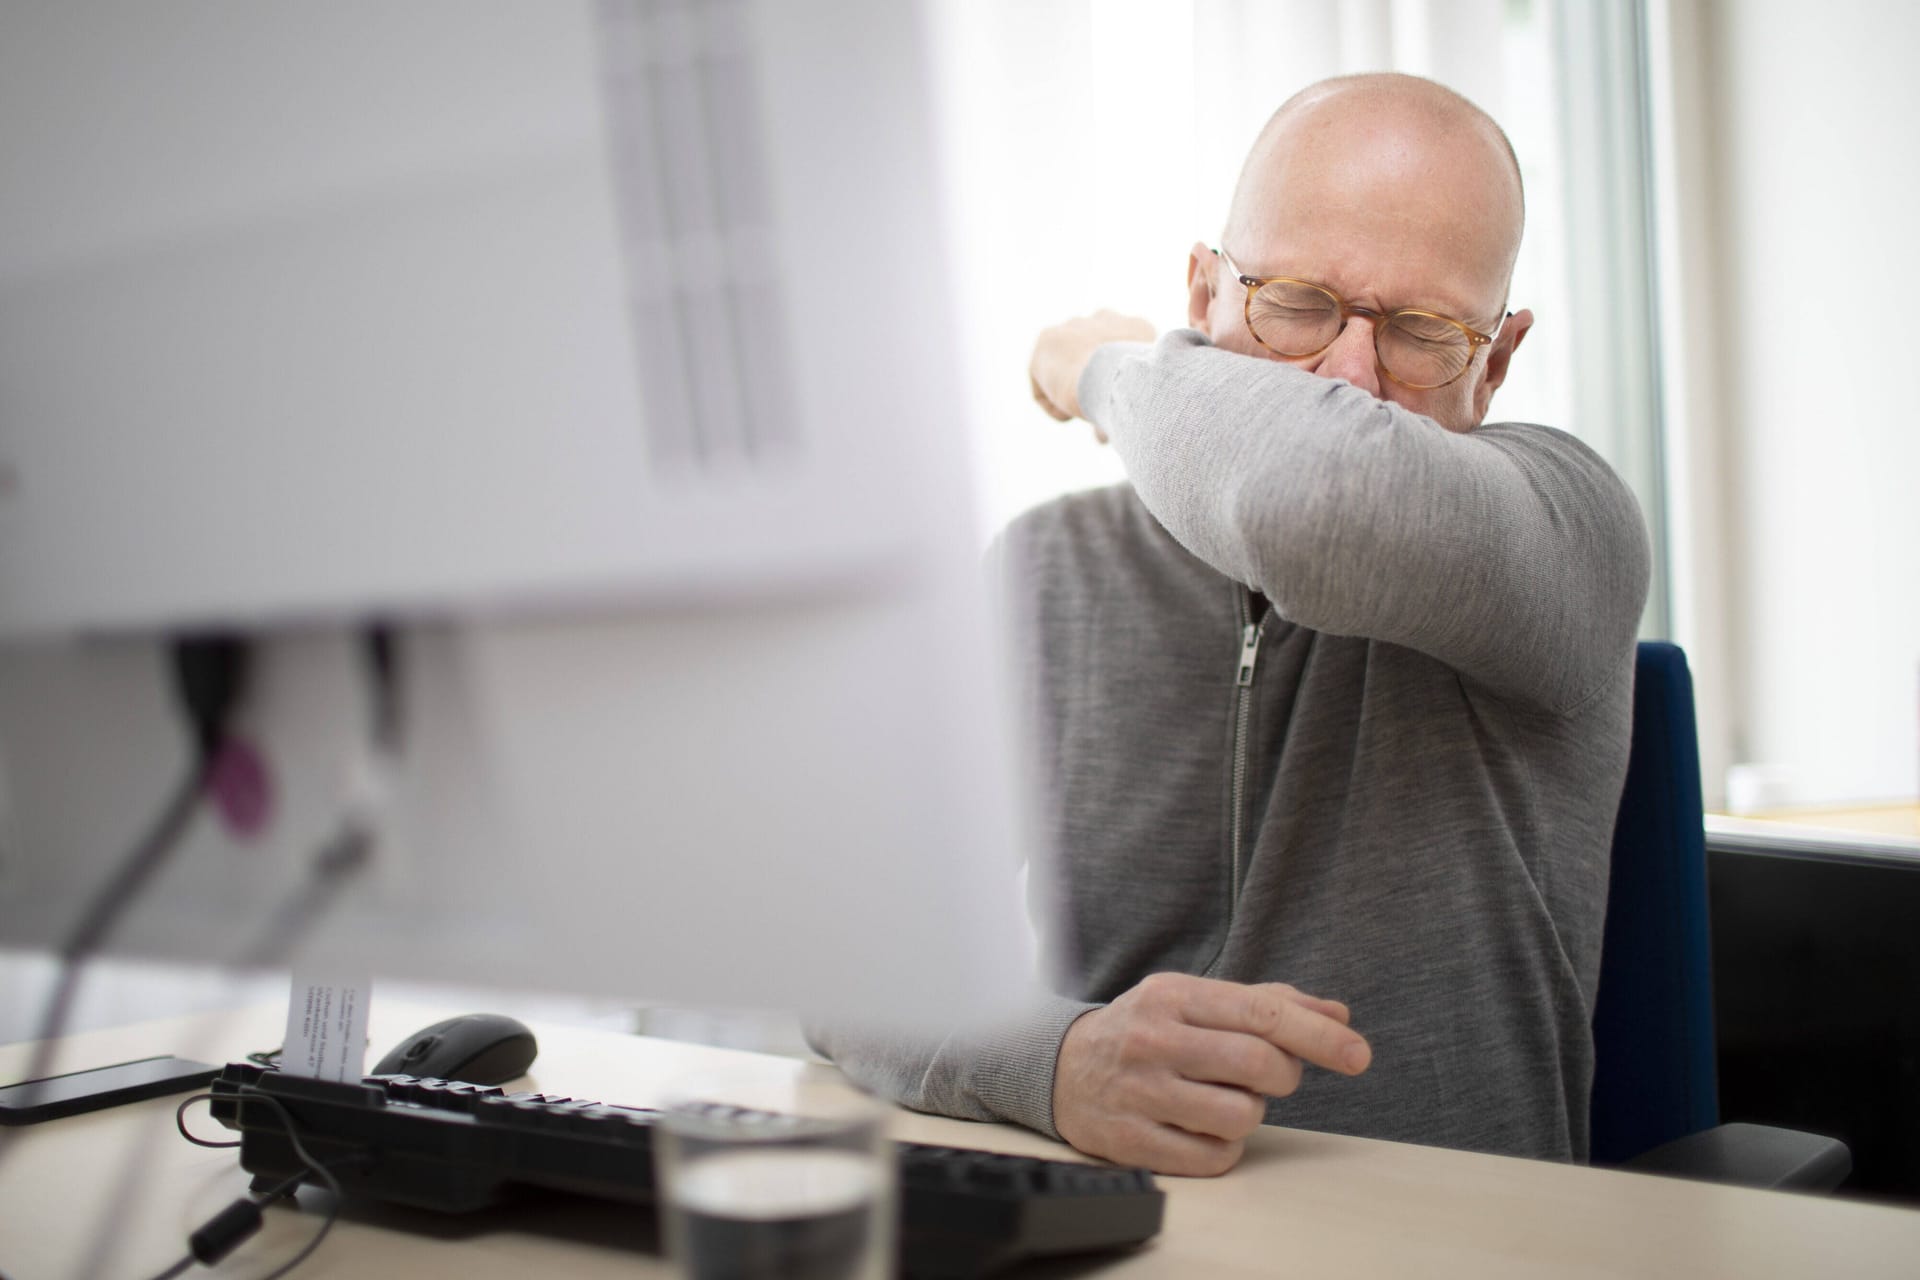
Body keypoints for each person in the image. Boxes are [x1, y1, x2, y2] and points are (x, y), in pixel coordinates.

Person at [808, 72, 1650, 1176]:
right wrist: (1056, 1063)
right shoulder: (1052, 565)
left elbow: (1315, 489)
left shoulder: (1571, 526)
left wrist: (1095, 366)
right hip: (1118, 1227)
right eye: (1295, 302)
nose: (1348, 378)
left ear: (1494, 362)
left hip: (1445, 1236)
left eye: (1423, 332)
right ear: (1201, 293)